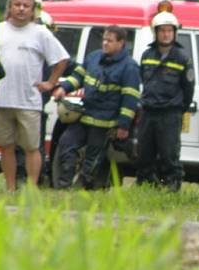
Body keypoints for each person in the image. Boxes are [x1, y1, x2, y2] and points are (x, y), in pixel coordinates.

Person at [0, 0, 69, 191]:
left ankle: (32, 189)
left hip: (29, 100)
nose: (21, 9)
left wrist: (51, 82)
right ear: (10, 7)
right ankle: (10, 189)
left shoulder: (40, 32)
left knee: (32, 147)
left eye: (26, 6)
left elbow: (62, 59)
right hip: (1, 98)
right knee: (5, 147)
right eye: (17, 4)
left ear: (33, 10)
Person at [51, 25, 139, 189]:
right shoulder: (93, 58)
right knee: (66, 143)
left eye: (110, 41)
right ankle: (63, 185)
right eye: (104, 39)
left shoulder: (130, 67)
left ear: (121, 43)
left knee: (93, 159)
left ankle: (84, 188)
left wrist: (123, 125)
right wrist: (64, 88)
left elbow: (130, 99)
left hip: (104, 124)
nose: (105, 43)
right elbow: (78, 77)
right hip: (84, 116)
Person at [136, 10, 195, 190]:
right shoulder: (147, 55)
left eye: (170, 30)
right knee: (144, 153)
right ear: (156, 32)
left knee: (169, 154)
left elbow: (189, 88)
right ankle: (145, 187)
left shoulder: (183, 58)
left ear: (175, 33)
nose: (166, 34)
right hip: (148, 111)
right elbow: (143, 81)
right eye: (162, 30)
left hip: (170, 114)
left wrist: (178, 108)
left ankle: (172, 186)